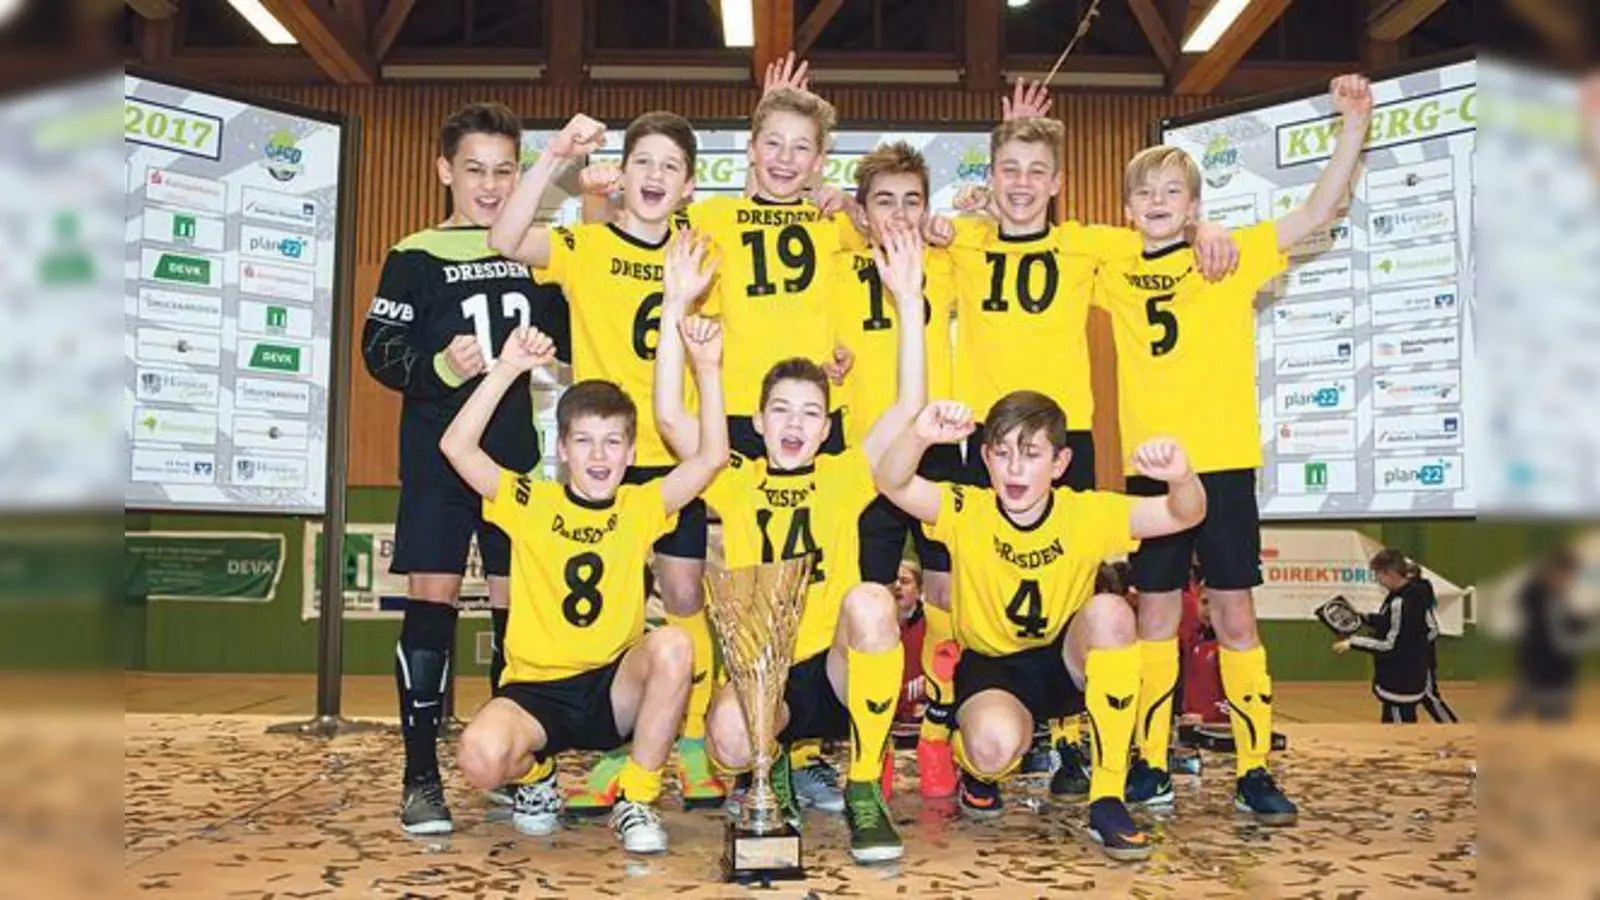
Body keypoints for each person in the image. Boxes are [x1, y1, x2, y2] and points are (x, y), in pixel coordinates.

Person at [1095, 74, 1374, 824]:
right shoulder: (1111, 266)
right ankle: (1148, 763)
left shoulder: (1228, 255)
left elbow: (1316, 210)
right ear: (1127, 209)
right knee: (1154, 619)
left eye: (1173, 194)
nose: (1157, 203)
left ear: (1195, 206)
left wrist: (1352, 127)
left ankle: (1253, 769)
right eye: (1144, 193)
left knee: (1236, 615)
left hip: (1220, 461)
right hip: (1148, 471)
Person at [443, 229, 728, 853]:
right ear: (562, 447)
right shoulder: (527, 501)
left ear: (630, 452)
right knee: (479, 759)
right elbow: (456, 447)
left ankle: (638, 795)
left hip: (612, 686)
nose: (599, 456)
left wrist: (707, 369)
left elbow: (710, 458)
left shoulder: (639, 504)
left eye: (612, 443)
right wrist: (509, 369)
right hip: (535, 690)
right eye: (584, 441)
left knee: (676, 645)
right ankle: (538, 775)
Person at [486, 110, 729, 812]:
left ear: (688, 186)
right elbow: (504, 237)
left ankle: (683, 742)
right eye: (643, 162)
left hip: (672, 456)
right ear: (621, 175)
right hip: (603, 464)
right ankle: (615, 749)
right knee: (610, 614)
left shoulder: (703, 253)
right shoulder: (585, 245)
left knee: (684, 598)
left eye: (670, 168)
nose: (654, 176)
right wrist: (555, 158)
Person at [672, 225, 933, 864]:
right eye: (782, 411)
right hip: (769, 676)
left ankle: (865, 784)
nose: (795, 423)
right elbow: (669, 420)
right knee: (731, 741)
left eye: (811, 413)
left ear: (826, 428)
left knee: (873, 602)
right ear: (758, 423)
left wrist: (905, 303)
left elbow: (910, 402)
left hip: (834, 668)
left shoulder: (846, 476)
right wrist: (678, 312)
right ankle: (771, 769)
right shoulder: (733, 480)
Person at [875, 390, 1208, 862]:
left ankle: (1107, 796)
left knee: (1112, 613)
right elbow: (890, 481)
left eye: (1031, 455)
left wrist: (1183, 476)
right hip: (992, 668)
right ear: (986, 458)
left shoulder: (1087, 513)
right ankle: (975, 766)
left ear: (1059, 462)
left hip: (1060, 662)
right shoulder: (964, 509)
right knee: (993, 747)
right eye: (1003, 453)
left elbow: (1185, 513)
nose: (1014, 469)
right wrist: (919, 435)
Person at [361, 102, 570, 835]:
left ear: (522, 174)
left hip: (514, 457)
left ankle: (517, 769)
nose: (489, 185)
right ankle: (421, 778)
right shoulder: (413, 252)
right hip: (435, 459)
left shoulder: (532, 248)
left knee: (521, 622)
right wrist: (440, 366)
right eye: (474, 169)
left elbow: (581, 333)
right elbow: (378, 351)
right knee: (433, 607)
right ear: (445, 169)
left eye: (504, 170)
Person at [831, 140, 963, 798]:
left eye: (913, 201)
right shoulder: (835, 265)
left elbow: (997, 229)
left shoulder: (948, 262)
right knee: (866, 602)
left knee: (943, 595)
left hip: (937, 444)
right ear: (862, 210)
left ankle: (937, 732)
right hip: (863, 453)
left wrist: (963, 218)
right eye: (885, 201)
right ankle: (871, 744)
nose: (901, 214)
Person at [1334, 549, 1447, 724]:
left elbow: (1391, 645)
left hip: (1400, 681)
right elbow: (1397, 624)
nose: (1378, 581)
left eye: (1378, 575)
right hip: (1411, 674)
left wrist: (1353, 642)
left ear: (1390, 573)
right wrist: (1366, 618)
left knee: (1400, 734)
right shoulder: (1412, 595)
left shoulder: (1400, 602)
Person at [1500, 548, 1591, 721]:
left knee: (1553, 718)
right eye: (1565, 574)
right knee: (1515, 713)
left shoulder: (1557, 597)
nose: (1567, 580)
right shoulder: (1535, 594)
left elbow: (1571, 624)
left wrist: (1587, 620)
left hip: (1558, 672)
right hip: (1539, 668)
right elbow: (1544, 629)